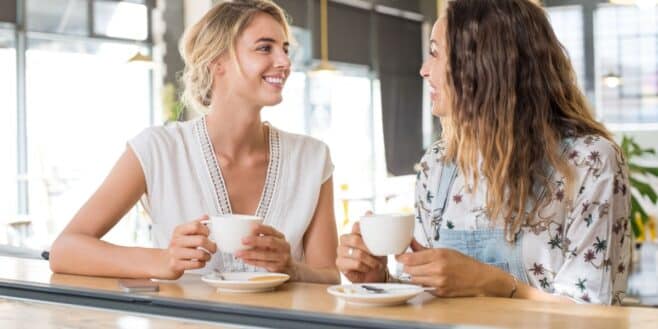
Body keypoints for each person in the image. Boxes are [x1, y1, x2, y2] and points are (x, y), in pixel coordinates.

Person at [336, 0, 631, 304]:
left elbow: (595, 314)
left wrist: (493, 283)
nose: (424, 70)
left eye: (436, 53)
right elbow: (427, 297)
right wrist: (380, 280)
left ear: (484, 65)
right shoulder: (437, 165)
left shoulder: (590, 163)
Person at [50, 0, 339, 284]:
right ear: (217, 62)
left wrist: (292, 268)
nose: (285, 62)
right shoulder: (157, 149)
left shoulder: (312, 158)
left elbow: (329, 274)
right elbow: (65, 250)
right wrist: (164, 260)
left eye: (285, 49)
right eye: (265, 48)